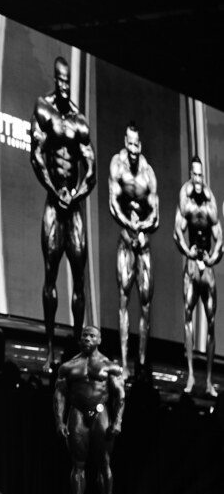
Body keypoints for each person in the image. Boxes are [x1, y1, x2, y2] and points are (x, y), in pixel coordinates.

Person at [31, 56, 96, 372]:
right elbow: (36, 156)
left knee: (79, 278)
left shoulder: (80, 121)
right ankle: (48, 350)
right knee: (50, 273)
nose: (64, 86)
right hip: (53, 202)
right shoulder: (43, 109)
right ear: (54, 79)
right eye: (60, 80)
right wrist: (56, 192)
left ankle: (78, 354)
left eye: (68, 81)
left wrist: (77, 193)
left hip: (74, 206)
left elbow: (91, 168)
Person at [53, 325, 125, 494]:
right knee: (77, 464)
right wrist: (59, 421)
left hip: (100, 412)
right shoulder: (68, 366)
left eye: (92, 336)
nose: (87, 338)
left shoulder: (109, 366)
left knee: (104, 462)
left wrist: (118, 421)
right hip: (77, 412)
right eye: (84, 335)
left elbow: (120, 396)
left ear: (99, 340)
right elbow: (59, 395)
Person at [108, 122, 159, 380]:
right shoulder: (117, 166)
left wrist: (142, 227)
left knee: (146, 304)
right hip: (126, 241)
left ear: (140, 145)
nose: (132, 149)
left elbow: (156, 216)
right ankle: (125, 362)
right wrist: (130, 226)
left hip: (143, 241)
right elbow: (113, 204)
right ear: (124, 142)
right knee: (124, 299)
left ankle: (140, 363)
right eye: (129, 143)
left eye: (136, 145)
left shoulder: (148, 175)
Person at [174, 157, 223, 396]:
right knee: (188, 317)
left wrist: (213, 257)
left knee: (212, 322)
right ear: (190, 176)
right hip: (192, 266)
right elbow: (177, 232)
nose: (197, 179)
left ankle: (210, 380)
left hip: (208, 269)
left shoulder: (210, 204)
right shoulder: (186, 202)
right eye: (194, 175)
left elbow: (219, 237)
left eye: (200, 175)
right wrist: (188, 251)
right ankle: (191, 375)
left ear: (203, 177)